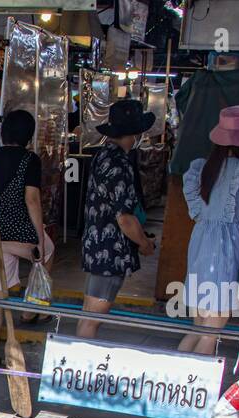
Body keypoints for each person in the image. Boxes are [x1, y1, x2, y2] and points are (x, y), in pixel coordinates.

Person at [178, 105, 239, 355]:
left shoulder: (202, 168)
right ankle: (194, 389)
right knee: (211, 332)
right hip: (227, 254)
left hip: (200, 248)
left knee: (198, 328)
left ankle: (176, 387)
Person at [78, 98, 157, 339]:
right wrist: (144, 243)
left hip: (96, 243)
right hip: (110, 251)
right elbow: (125, 219)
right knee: (94, 317)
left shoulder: (102, 156)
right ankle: (78, 368)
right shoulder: (120, 163)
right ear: (134, 134)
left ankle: (78, 362)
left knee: (88, 315)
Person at [0, 109, 50, 267]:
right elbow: (32, 200)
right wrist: (40, 240)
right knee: (48, 251)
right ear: (28, 135)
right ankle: (35, 290)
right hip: (21, 235)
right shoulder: (30, 159)